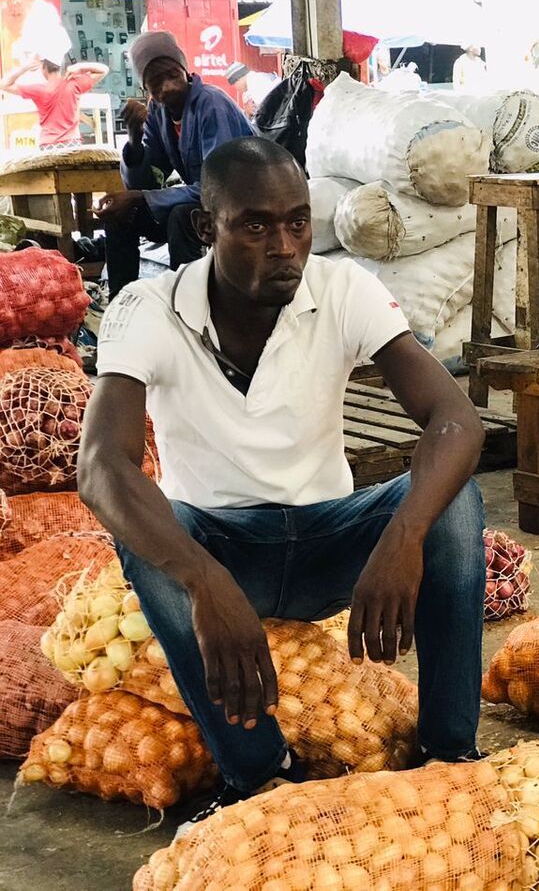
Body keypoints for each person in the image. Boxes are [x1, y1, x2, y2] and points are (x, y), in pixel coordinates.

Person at [79, 136, 487, 834]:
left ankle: (449, 755)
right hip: (222, 548)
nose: (284, 246)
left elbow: (453, 417)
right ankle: (259, 773)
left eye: (298, 222)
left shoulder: (343, 289)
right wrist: (206, 584)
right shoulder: (149, 307)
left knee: (455, 504)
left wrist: (402, 539)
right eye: (256, 225)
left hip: (330, 538)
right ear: (208, 228)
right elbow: (101, 466)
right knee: (146, 532)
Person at [94, 31, 254, 299]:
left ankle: (188, 303)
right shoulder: (158, 113)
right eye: (156, 82)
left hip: (238, 203)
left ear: (185, 71)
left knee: (183, 216)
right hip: (205, 202)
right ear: (146, 88)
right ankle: (121, 302)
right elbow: (148, 182)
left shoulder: (211, 105)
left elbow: (217, 188)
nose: (167, 87)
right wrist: (134, 144)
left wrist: (141, 197)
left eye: (172, 75)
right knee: (122, 214)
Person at [0, 55, 109, 147]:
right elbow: (104, 70)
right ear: (60, 68)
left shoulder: (38, 89)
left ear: (44, 68)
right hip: (72, 144)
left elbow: (4, 85)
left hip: (47, 145)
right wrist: (79, 67)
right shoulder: (74, 83)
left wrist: (25, 68)